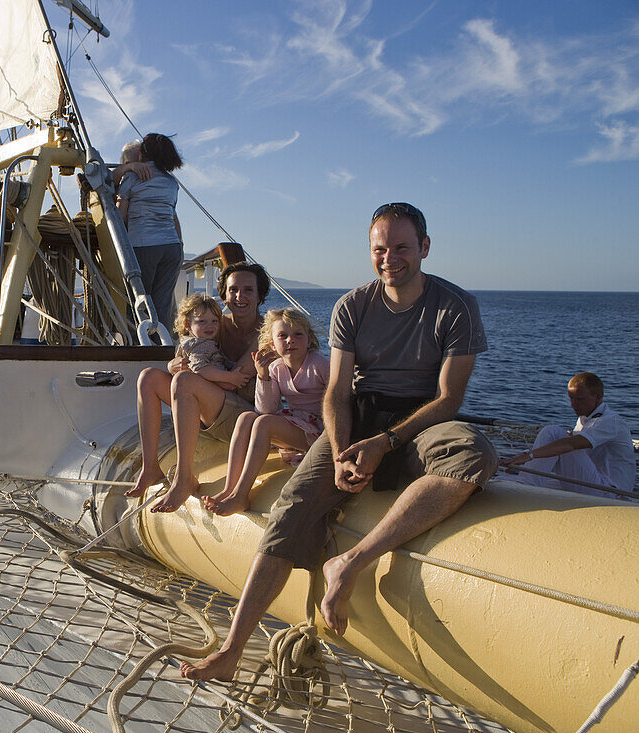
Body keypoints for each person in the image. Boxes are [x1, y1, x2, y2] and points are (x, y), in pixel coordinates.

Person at [180, 202, 498, 681]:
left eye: (401, 247)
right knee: (292, 506)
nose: (389, 258)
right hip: (359, 413)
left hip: (421, 421)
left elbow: (449, 398)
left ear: (424, 248)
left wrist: (386, 443)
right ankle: (230, 652)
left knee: (475, 455)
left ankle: (350, 562)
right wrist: (340, 449)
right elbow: (337, 391)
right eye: (379, 249)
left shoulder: (455, 307)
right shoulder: (354, 305)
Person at [127, 261, 270, 509]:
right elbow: (188, 349)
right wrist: (174, 364)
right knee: (149, 376)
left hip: (244, 417)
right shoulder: (214, 323)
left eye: (248, 290)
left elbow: (236, 381)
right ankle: (150, 467)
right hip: (214, 408)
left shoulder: (267, 332)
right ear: (224, 295)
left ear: (260, 296)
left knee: (184, 380)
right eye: (233, 290)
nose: (240, 296)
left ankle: (184, 479)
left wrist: (189, 373)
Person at [204, 309, 330, 516]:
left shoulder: (319, 365)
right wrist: (262, 375)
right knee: (247, 417)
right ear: (272, 344)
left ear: (309, 340)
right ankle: (229, 487)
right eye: (283, 336)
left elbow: (337, 401)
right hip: (294, 422)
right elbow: (265, 410)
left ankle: (241, 495)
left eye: (298, 334)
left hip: (318, 430)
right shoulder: (276, 367)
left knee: (263, 424)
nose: (291, 340)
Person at [500, 372, 635, 498]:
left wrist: (528, 456)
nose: (573, 404)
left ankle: (524, 487)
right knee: (505, 480)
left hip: (612, 492)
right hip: (593, 482)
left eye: (579, 399)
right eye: (571, 399)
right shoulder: (584, 419)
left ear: (598, 397)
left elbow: (570, 444)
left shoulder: (610, 421)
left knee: (553, 432)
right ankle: (520, 482)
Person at [115, 133, 184, 330]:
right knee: (162, 305)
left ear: (142, 153)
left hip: (144, 247)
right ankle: (161, 349)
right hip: (172, 248)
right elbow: (171, 215)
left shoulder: (132, 178)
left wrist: (128, 167)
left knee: (138, 303)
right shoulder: (171, 183)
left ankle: (139, 349)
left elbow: (121, 216)